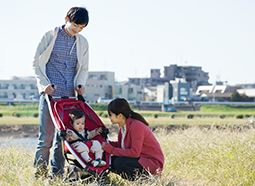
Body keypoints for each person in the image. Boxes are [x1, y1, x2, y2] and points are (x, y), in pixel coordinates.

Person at [32, 7, 89, 178]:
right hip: (50, 96)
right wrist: (44, 86)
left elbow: (84, 68)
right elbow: (36, 63)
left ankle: (56, 175)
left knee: (62, 138)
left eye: (81, 28)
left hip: (70, 97)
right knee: (46, 139)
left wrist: (80, 85)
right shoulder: (50, 35)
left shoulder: (82, 42)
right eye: (75, 26)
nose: (77, 30)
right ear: (66, 19)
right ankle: (39, 176)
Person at [102, 98, 164, 181]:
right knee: (110, 161)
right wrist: (105, 143)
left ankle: (146, 180)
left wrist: (111, 150)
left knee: (118, 163)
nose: (109, 117)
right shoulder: (123, 126)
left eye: (110, 115)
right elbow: (122, 145)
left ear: (120, 115)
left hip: (151, 163)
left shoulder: (136, 126)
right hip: (140, 159)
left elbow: (134, 152)